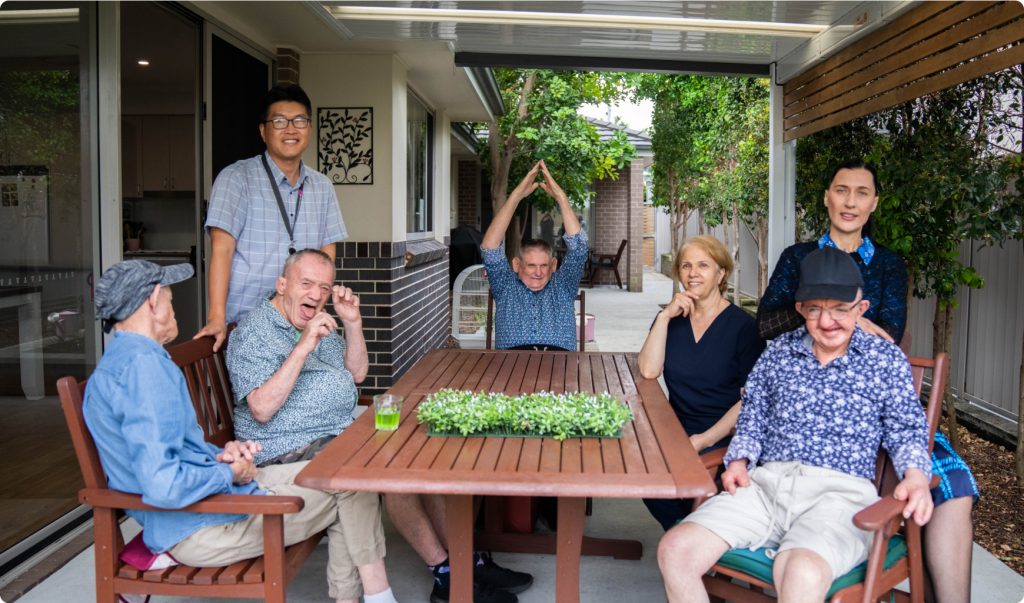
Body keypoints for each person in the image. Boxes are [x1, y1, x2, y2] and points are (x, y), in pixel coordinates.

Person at [83, 259, 397, 603]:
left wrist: (221, 456)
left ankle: (367, 597)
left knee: (347, 477)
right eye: (172, 297)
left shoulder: (129, 360)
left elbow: (165, 455)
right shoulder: (144, 371)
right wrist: (228, 472)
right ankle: (377, 597)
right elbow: (163, 484)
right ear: (154, 299)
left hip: (209, 502)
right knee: (350, 488)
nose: (175, 308)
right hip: (199, 527)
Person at [658, 247, 934, 603]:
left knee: (800, 570)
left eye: (840, 309)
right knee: (675, 550)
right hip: (765, 489)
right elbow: (753, 413)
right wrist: (739, 461)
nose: (827, 321)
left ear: (861, 309)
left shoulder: (883, 360)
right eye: (815, 309)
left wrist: (915, 476)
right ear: (800, 309)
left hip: (839, 497)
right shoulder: (779, 353)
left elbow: (906, 427)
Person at [757, 159, 978, 603]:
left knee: (953, 481)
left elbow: (891, 333)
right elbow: (764, 323)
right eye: (841, 190)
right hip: (809, 405)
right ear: (827, 197)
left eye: (861, 192)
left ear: (874, 202)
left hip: (872, 405)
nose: (850, 202)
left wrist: (817, 313)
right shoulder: (797, 257)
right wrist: (836, 315)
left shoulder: (889, 265)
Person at [196, 83, 347, 351]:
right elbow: (222, 250)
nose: (291, 129)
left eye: (299, 121)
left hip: (300, 327)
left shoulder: (322, 186)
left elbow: (328, 252)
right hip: (246, 323)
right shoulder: (236, 178)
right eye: (279, 121)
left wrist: (314, 306)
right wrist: (216, 317)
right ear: (263, 131)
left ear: (310, 128)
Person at [637, 236, 764, 530]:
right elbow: (647, 370)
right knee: (643, 473)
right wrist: (665, 316)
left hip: (723, 436)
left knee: (686, 487)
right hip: (676, 430)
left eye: (703, 265)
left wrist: (703, 440)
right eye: (686, 265)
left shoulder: (743, 328)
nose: (693, 273)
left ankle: (689, 541)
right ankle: (687, 537)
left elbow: (751, 402)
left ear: (721, 274)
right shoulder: (671, 320)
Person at [480, 160, 588, 351]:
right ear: (516, 264)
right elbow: (490, 248)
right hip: (512, 371)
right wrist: (516, 197)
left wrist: (561, 198)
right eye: (530, 265)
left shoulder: (563, 286)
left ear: (553, 265)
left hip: (560, 371)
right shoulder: (505, 286)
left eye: (544, 265)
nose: (538, 272)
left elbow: (579, 249)